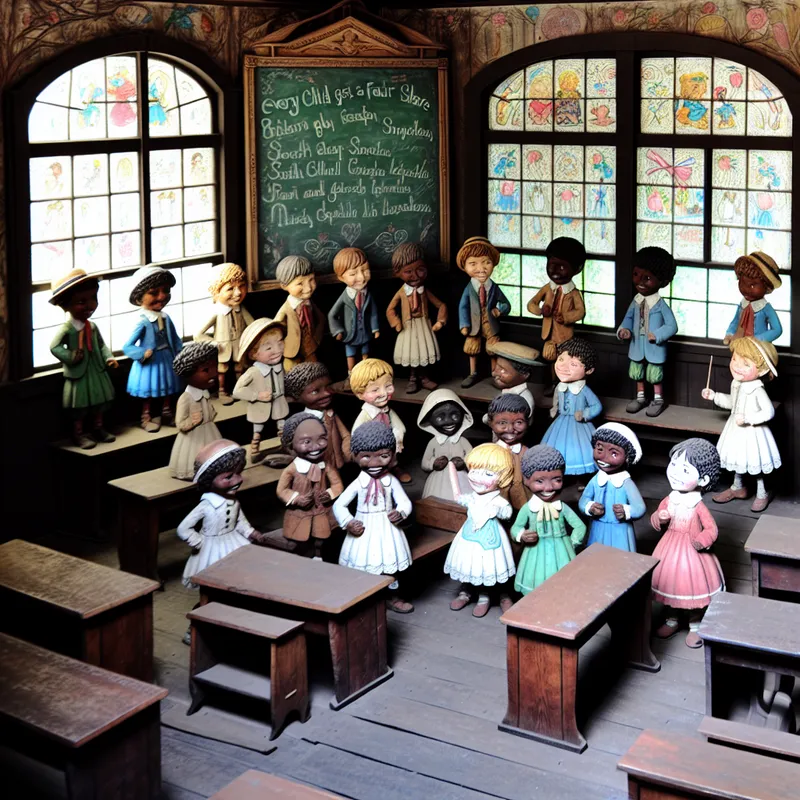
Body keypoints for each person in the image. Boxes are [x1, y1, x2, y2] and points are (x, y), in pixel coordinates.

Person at [333, 422, 414, 614]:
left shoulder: (391, 481)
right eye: (366, 457)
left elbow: (405, 502)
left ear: (392, 455)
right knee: (363, 563)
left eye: (383, 456)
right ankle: (364, 599)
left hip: (388, 528)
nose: (375, 463)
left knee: (390, 565)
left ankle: (392, 597)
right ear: (355, 456)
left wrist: (400, 513)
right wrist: (348, 522)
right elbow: (339, 505)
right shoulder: (358, 483)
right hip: (364, 528)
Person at [651, 438, 724, 648]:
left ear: (703, 479)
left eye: (684, 469)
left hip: (692, 553)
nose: (674, 472)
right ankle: (672, 619)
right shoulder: (670, 498)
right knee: (670, 583)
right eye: (673, 464)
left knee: (692, 588)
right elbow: (657, 516)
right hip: (669, 548)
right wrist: (659, 518)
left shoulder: (698, 505)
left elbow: (711, 529)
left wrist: (702, 540)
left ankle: (695, 624)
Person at [702, 336, 780, 512]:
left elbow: (769, 412)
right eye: (734, 359)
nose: (737, 366)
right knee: (738, 457)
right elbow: (733, 403)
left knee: (754, 461)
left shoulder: (757, 389)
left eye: (745, 364)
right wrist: (714, 396)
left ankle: (762, 493)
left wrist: (748, 418)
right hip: (735, 428)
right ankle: (738, 487)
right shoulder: (736, 383)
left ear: (761, 369)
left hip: (753, 431)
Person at [444, 444, 516, 617]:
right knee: (469, 563)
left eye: (488, 474)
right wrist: (458, 495)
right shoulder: (472, 498)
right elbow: (460, 498)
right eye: (474, 471)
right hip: (469, 536)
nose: (478, 478)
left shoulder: (497, 500)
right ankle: (466, 590)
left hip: (489, 539)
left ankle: (485, 596)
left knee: (486, 566)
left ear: (502, 477)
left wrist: (498, 510)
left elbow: (507, 512)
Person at [49, 269, 117, 449]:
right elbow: (54, 347)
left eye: (93, 298)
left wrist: (109, 358)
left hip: (96, 371)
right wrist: (70, 356)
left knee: (100, 401)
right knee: (80, 406)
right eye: (81, 302)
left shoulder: (92, 327)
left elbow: (101, 345)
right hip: (78, 374)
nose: (90, 305)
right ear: (65, 305)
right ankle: (78, 434)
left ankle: (98, 428)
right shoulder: (67, 329)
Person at [511, 444, 587, 595]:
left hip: (562, 553)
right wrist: (522, 535)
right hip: (535, 553)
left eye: (556, 480)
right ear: (526, 480)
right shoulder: (528, 508)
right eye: (539, 481)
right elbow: (516, 528)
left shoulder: (561, 507)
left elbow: (580, 527)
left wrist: (570, 544)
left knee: (564, 587)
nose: (548, 488)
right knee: (536, 585)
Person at [617, 246, 678, 417]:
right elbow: (628, 319)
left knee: (654, 374)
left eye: (648, 278)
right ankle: (640, 397)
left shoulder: (660, 305)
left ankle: (658, 400)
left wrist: (657, 335)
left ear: (662, 281)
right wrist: (623, 330)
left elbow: (672, 326)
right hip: (637, 344)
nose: (640, 282)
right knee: (637, 372)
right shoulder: (636, 301)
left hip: (654, 347)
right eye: (636, 274)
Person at [123, 265, 182, 431]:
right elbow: (127, 346)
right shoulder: (142, 321)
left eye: (166, 291)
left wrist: (180, 353)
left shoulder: (166, 317)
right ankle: (146, 417)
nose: (162, 296)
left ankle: (166, 413)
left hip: (167, 357)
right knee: (149, 390)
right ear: (139, 298)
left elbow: (175, 339)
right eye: (154, 293)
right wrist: (142, 353)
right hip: (151, 362)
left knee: (169, 387)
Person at [276, 412, 343, 559]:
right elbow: (282, 490)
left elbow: (337, 484)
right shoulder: (292, 469)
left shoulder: (325, 466)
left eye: (321, 439)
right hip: (300, 514)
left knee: (322, 537)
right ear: (291, 444)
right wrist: (296, 498)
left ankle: (320, 556)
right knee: (301, 540)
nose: (316, 446)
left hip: (321, 511)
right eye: (306, 441)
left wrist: (330, 494)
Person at [386, 242, 447, 393]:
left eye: (421, 270)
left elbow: (441, 305)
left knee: (423, 351)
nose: (416, 276)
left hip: (423, 324)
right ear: (397, 272)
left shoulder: (424, 291)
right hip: (408, 327)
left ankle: (424, 378)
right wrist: (396, 322)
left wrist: (440, 321)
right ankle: (413, 378)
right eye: (408, 271)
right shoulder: (402, 292)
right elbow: (390, 309)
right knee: (412, 352)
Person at [541, 338, 602, 478]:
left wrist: (585, 413)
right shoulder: (560, 386)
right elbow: (557, 400)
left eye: (573, 364)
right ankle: (558, 476)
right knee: (556, 447)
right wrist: (554, 410)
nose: (563, 367)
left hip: (579, 425)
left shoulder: (584, 390)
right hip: (560, 422)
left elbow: (597, 406)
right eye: (561, 359)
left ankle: (579, 479)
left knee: (578, 450)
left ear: (589, 370)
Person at [579, 423, 645, 552]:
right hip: (598, 527)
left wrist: (625, 511)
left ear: (627, 457)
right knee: (595, 555)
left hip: (619, 530)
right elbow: (583, 499)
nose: (604, 457)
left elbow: (639, 507)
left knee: (620, 556)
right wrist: (590, 506)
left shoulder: (626, 483)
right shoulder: (596, 480)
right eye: (599, 449)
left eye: (614, 453)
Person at [195, 262, 254, 404]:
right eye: (230, 289)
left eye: (241, 286)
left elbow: (253, 325)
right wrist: (213, 343)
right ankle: (222, 392)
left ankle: (240, 389)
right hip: (223, 347)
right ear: (216, 292)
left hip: (239, 344)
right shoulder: (216, 312)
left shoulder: (240, 308)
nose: (238, 292)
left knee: (240, 367)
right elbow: (198, 334)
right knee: (222, 369)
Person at [457, 236, 510, 388]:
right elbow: (463, 307)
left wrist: (499, 310)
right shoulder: (469, 289)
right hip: (474, 324)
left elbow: (506, 304)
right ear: (465, 266)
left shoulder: (494, 287)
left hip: (490, 322)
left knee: (493, 349)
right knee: (472, 348)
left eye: (486, 262)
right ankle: (472, 373)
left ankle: (495, 373)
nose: (481, 269)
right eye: (473, 264)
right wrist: (464, 324)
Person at [232, 317, 288, 459]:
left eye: (280, 343)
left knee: (282, 425)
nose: (277, 350)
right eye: (268, 348)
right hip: (260, 406)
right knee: (257, 429)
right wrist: (257, 395)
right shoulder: (253, 372)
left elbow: (286, 381)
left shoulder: (281, 367)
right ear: (252, 354)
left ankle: (285, 446)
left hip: (279, 403)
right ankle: (255, 450)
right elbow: (237, 391)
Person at [327, 247, 379, 387]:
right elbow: (332, 314)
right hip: (350, 335)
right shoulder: (345, 297)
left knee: (365, 353)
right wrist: (338, 331)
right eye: (353, 274)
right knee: (350, 354)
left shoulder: (368, 294)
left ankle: (365, 375)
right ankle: (351, 376)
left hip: (365, 333)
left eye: (365, 270)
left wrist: (375, 328)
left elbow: (373, 313)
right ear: (341, 277)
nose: (361, 277)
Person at [169, 342, 221, 480]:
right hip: (194, 437)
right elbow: (180, 423)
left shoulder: (205, 393)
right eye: (206, 370)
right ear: (188, 374)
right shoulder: (186, 398)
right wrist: (192, 421)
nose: (214, 373)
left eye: (214, 367)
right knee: (195, 456)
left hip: (209, 431)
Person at [284, 361, 350, 470]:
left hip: (338, 463)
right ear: (297, 397)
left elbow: (345, 435)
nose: (327, 393)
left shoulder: (330, 413)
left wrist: (347, 449)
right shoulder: (303, 422)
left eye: (328, 387)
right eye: (315, 391)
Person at [417, 388, 474, 502]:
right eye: (440, 417)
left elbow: (474, 459)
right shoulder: (433, 442)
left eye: (454, 415)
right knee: (436, 502)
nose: (448, 422)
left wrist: (464, 462)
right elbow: (425, 463)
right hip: (438, 481)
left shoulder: (463, 441)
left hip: (461, 478)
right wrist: (434, 463)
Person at [274, 255, 325, 370]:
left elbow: (321, 318)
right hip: (292, 351)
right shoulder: (286, 309)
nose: (308, 288)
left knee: (314, 371)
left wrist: (316, 338)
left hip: (310, 348)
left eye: (311, 280)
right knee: (291, 372)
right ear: (284, 286)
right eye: (300, 284)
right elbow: (275, 327)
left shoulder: (310, 304)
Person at [723, 251, 783, 344]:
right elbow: (735, 321)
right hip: (739, 343)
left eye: (752, 285)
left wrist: (758, 339)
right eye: (742, 283)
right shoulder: (743, 305)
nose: (746, 289)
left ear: (766, 287)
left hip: (757, 347)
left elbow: (777, 330)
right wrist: (730, 333)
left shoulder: (765, 308)